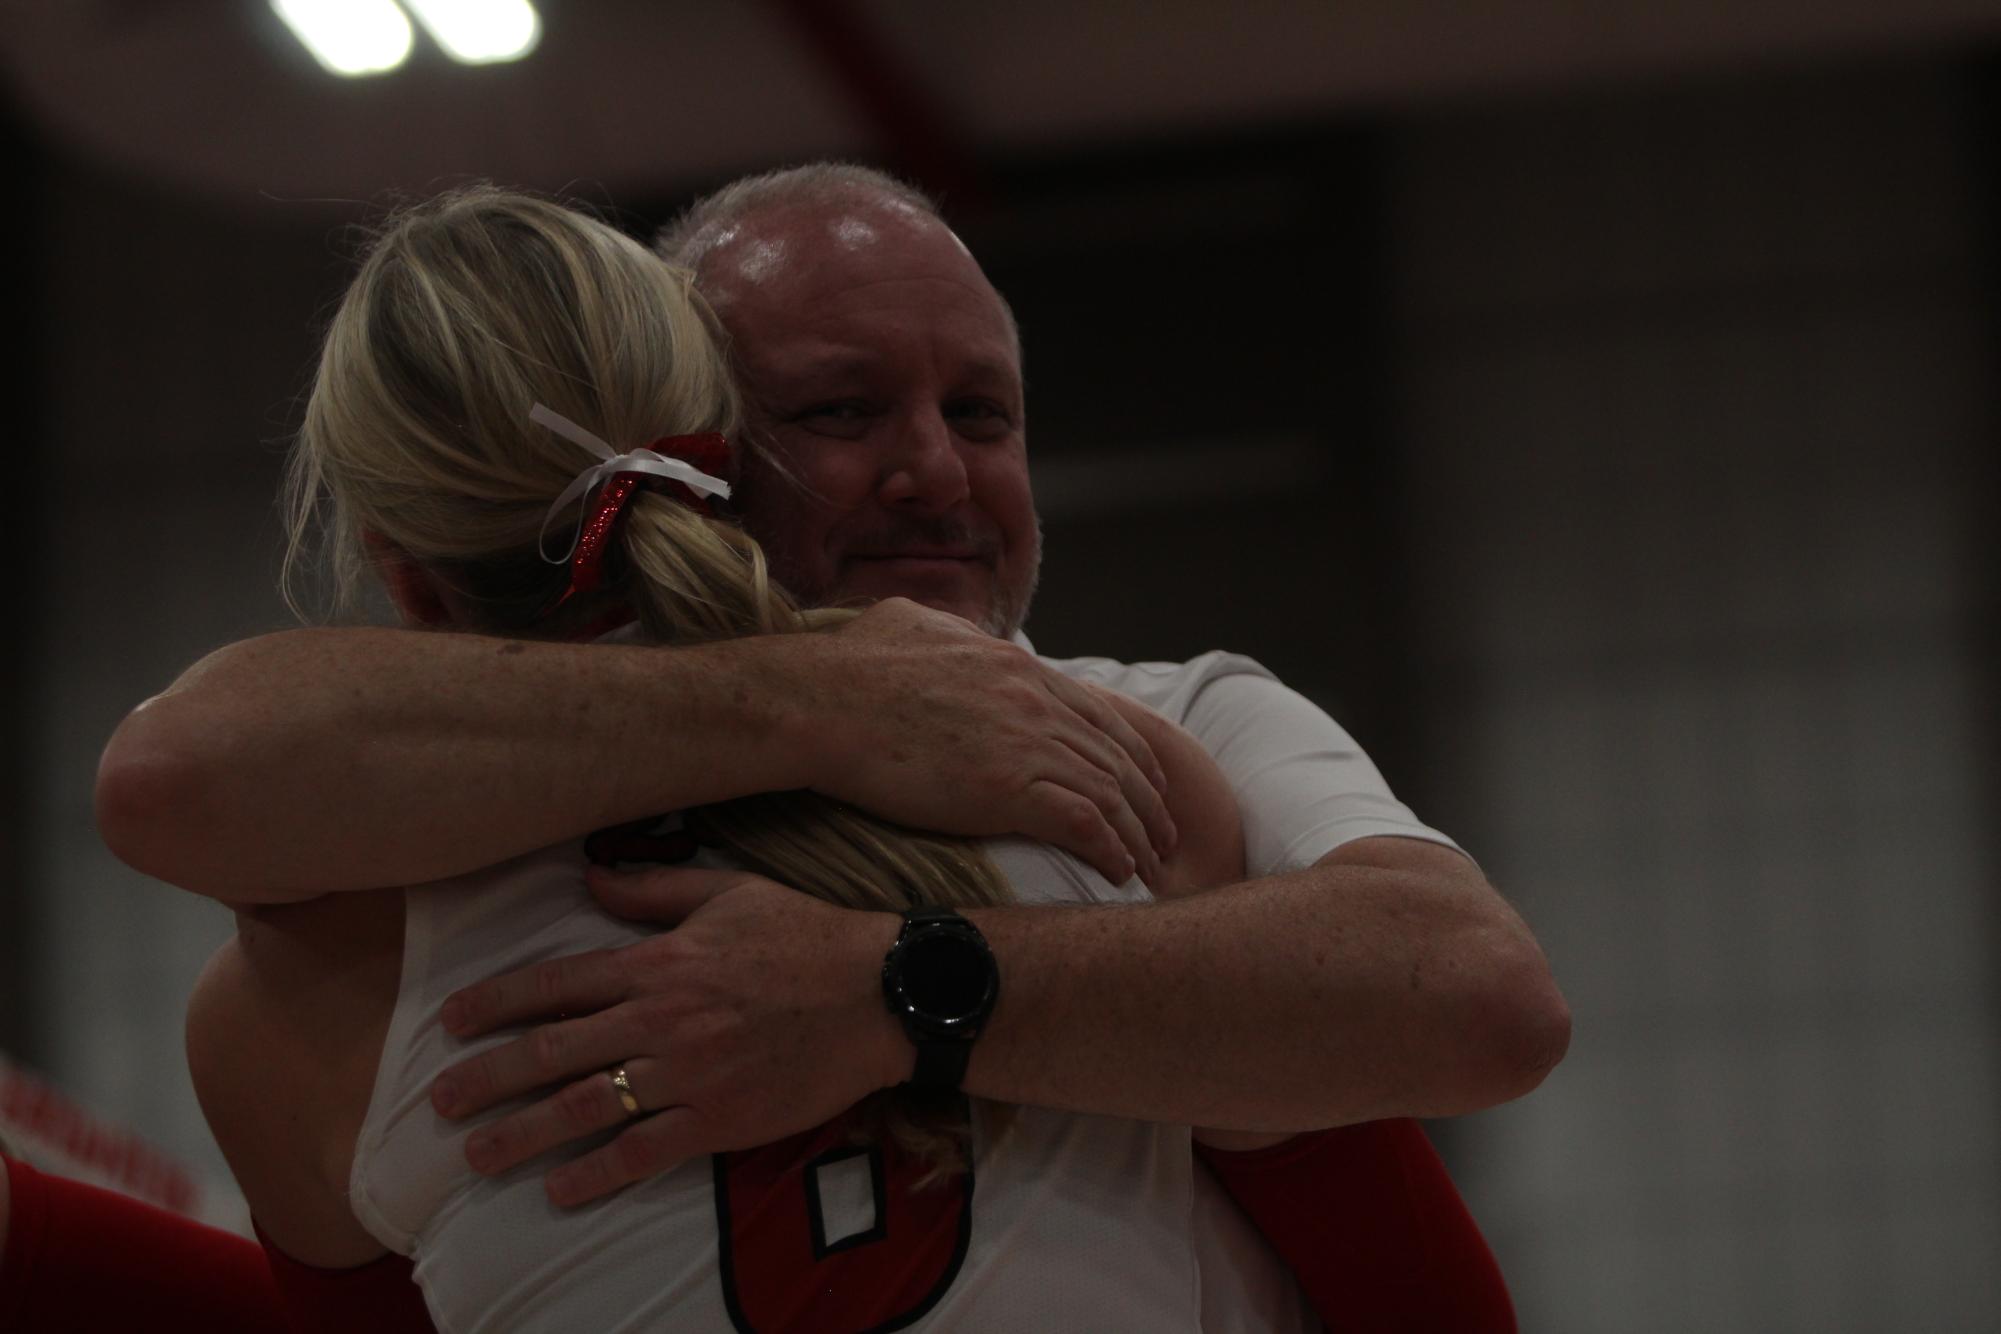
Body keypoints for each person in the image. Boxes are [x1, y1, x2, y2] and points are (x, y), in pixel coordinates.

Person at [100, 165, 1561, 1323]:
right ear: (698, 450)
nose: (934, 466)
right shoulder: (1126, 780)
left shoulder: (1155, 726)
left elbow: (1481, 989)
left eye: (981, 411)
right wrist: (822, 700)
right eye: (843, 409)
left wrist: (893, 991)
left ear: (402, 567)